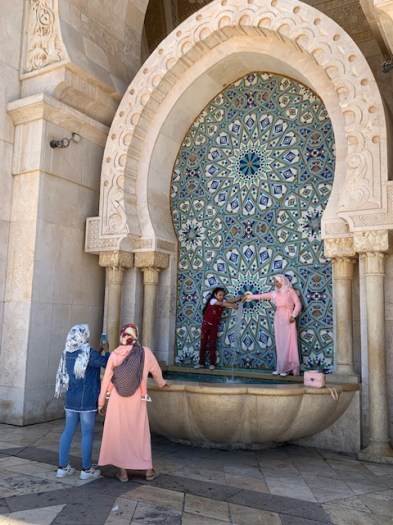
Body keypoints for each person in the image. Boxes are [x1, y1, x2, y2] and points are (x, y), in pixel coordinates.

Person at [97, 323, 168, 482]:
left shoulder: (115, 354)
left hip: (117, 398)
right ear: (135, 335)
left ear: (122, 336)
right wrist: (161, 383)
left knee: (121, 433)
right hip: (137, 399)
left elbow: (106, 379)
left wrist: (101, 402)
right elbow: (156, 371)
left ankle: (123, 473)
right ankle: (148, 470)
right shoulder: (145, 352)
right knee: (140, 433)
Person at [54, 324, 109, 479]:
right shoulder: (88, 352)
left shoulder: (67, 352)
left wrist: (99, 351)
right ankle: (86, 470)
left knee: (68, 431)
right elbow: (106, 362)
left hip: (71, 399)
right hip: (87, 400)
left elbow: (88, 363)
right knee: (86, 434)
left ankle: (62, 467)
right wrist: (106, 349)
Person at [244, 274, 301, 376]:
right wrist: (248, 296)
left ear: (283, 281)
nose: (276, 284)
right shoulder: (275, 293)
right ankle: (281, 368)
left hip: (288, 318)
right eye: (275, 282)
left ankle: (288, 368)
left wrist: (294, 315)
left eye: (277, 282)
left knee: (288, 343)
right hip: (279, 318)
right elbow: (261, 296)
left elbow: (298, 304)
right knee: (280, 343)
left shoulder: (290, 291)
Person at [194, 287, 242, 370]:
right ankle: (200, 363)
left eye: (222, 295)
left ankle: (212, 363)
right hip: (206, 326)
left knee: (213, 344)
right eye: (220, 295)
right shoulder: (213, 301)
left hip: (214, 326)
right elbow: (223, 304)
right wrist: (232, 306)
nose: (221, 297)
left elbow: (229, 301)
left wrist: (240, 298)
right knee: (203, 344)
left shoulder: (221, 301)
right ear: (215, 295)